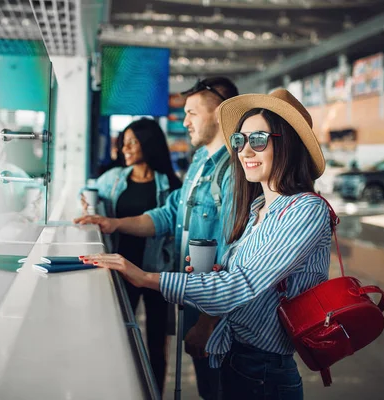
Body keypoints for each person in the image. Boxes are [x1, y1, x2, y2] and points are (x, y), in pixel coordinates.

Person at [80, 89, 332, 400]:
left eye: (258, 140)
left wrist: (147, 278)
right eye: (240, 141)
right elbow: (238, 273)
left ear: (288, 143)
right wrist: (214, 271)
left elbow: (243, 284)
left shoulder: (306, 209)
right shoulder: (257, 210)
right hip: (233, 356)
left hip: (265, 373)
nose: (244, 152)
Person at [75, 77, 239, 400]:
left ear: (220, 112)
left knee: (220, 391)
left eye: (192, 112)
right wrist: (113, 223)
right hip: (194, 301)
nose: (185, 121)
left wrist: (207, 323)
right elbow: (167, 215)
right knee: (208, 390)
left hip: (216, 314)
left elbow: (233, 255)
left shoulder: (232, 173)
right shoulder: (197, 168)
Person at [81, 117, 181, 394]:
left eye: (131, 142)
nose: (124, 148)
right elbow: (86, 192)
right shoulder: (113, 179)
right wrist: (86, 204)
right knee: (120, 333)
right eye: (123, 142)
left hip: (156, 270)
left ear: (147, 145)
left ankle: (155, 393)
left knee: (157, 342)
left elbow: (172, 223)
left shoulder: (169, 186)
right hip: (119, 267)